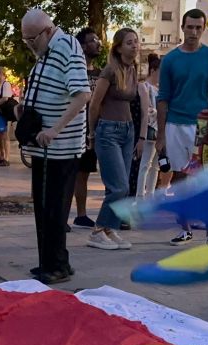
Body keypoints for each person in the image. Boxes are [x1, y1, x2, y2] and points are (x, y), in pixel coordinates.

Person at [15, 8, 90, 284]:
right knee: (45, 207)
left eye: (32, 39)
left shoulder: (66, 46)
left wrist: (55, 129)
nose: (29, 45)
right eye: (25, 39)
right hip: (44, 147)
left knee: (55, 209)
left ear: (47, 31)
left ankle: (56, 266)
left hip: (59, 148)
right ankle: (52, 261)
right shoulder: (47, 50)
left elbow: (82, 94)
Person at [154, 8, 208, 245]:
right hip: (175, 124)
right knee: (179, 178)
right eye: (190, 27)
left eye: (198, 28)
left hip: (202, 126)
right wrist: (160, 135)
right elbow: (162, 98)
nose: (194, 32)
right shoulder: (170, 59)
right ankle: (185, 229)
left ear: (203, 29)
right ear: (182, 27)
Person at [86, 28, 146, 251]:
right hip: (108, 130)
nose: (135, 45)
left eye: (136, 41)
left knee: (121, 186)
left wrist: (139, 135)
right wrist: (92, 133)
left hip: (127, 131)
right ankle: (97, 231)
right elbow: (94, 104)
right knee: (119, 186)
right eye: (129, 42)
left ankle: (109, 229)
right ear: (119, 47)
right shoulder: (109, 70)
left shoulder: (132, 70)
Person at [70, 27, 102, 230]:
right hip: (74, 129)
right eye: (92, 40)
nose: (98, 43)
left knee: (84, 173)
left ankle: (81, 215)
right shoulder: (73, 70)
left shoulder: (100, 74)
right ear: (81, 46)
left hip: (94, 130)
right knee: (69, 173)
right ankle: (63, 216)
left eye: (98, 39)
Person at [134, 53, 162, 198]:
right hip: (150, 128)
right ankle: (140, 196)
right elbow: (147, 110)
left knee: (155, 166)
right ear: (153, 70)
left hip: (159, 130)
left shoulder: (159, 89)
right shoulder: (145, 86)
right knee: (146, 164)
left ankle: (150, 195)